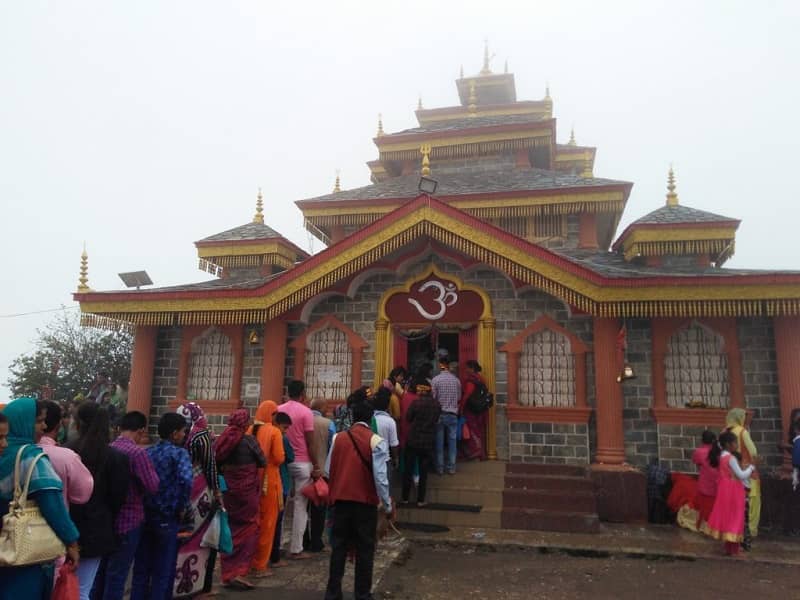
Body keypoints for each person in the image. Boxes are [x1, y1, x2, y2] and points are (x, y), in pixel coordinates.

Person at [0, 398, 80, 598]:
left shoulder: (4, 453)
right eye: (39, 421)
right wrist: (72, 542)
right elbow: (53, 506)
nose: (44, 427)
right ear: (25, 422)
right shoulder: (31, 458)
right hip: (24, 551)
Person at [324, 399, 394, 600]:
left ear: (353, 417)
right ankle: (362, 593)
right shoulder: (376, 441)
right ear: (371, 418)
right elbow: (381, 478)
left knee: (338, 548)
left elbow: (329, 469)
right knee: (365, 549)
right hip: (364, 503)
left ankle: (333, 592)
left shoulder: (338, 438)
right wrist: (387, 504)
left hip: (340, 501)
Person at [92, 410, 159, 600]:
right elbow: (152, 485)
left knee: (100, 572)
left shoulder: (107, 448)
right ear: (141, 430)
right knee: (117, 575)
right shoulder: (137, 453)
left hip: (106, 520)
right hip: (129, 520)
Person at [68, 402, 130, 600]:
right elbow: (118, 497)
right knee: (84, 588)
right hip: (97, 527)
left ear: (78, 424)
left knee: (64, 585)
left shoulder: (68, 451)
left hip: (65, 525)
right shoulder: (116, 457)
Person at [131, 413, 193, 600]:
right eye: (183, 432)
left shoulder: (147, 452)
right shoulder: (179, 454)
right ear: (174, 434)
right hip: (168, 516)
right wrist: (182, 505)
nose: (184, 435)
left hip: (146, 515)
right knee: (163, 569)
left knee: (141, 568)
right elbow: (186, 480)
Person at [215, 409, 266, 590]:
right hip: (246, 493)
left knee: (229, 529)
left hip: (228, 491)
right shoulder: (249, 441)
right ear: (245, 424)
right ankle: (240, 572)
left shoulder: (222, 440)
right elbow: (263, 461)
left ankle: (226, 574)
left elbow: (216, 462)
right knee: (250, 529)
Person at [175, 402, 221, 597]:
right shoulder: (201, 435)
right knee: (202, 536)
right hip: (200, 488)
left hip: (181, 488)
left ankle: (176, 584)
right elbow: (210, 465)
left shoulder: (176, 434)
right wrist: (217, 490)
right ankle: (199, 586)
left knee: (183, 536)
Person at [277, 380, 321, 560]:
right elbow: (310, 442)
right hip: (302, 462)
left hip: (283, 461)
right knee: (300, 506)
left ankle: (277, 545)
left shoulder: (278, 409)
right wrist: (316, 464)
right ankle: (296, 548)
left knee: (281, 505)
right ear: (303, 393)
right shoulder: (306, 412)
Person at [703, 431, 755, 556]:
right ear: (728, 444)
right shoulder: (731, 458)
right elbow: (741, 475)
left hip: (725, 489)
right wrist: (752, 467)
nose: (737, 445)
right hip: (734, 490)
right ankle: (734, 549)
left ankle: (730, 549)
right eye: (735, 442)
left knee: (730, 517)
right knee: (736, 518)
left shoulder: (721, 456)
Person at [38, 400, 94, 507]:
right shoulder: (68, 457)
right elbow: (82, 495)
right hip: (57, 521)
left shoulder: (17, 453)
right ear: (59, 424)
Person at [304, 398, 335, 554]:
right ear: (321, 408)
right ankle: (316, 542)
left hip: (303, 468)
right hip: (322, 470)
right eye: (326, 407)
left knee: (302, 507)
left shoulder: (302, 419)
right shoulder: (328, 424)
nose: (327, 410)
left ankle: (303, 540)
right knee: (319, 508)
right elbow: (332, 447)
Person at [401, 383, 441, 507]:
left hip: (414, 439)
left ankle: (405, 498)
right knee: (424, 472)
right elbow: (436, 419)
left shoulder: (416, 403)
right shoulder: (436, 405)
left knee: (409, 469)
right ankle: (420, 499)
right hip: (428, 440)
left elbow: (408, 417)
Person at [725, 408, 760, 548]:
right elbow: (754, 451)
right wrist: (753, 465)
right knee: (752, 504)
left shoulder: (724, 432)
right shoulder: (742, 431)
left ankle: (732, 534)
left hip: (728, 474)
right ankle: (750, 533)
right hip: (746, 472)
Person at [269, 412, 294, 568]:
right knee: (277, 521)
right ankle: (275, 556)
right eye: (284, 427)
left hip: (267, 483)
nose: (285, 431)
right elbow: (290, 457)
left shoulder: (260, 433)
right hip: (280, 483)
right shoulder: (281, 438)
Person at [431, 358, 461, 475]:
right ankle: (452, 468)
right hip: (452, 415)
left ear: (440, 366)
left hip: (440, 415)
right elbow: (458, 398)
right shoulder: (456, 381)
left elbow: (433, 398)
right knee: (452, 443)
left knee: (439, 442)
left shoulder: (435, 380)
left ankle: (440, 468)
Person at [459, 360, 488, 461]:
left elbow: (467, 395)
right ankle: (481, 453)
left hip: (471, 409)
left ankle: (475, 452)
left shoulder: (471, 380)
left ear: (472, 368)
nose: (466, 370)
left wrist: (461, 408)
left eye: (467, 367)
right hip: (481, 408)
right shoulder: (481, 378)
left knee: (472, 431)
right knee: (479, 430)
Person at [692, 431, 720, 528]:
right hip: (717, 484)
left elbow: (696, 463)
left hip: (704, 483)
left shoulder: (698, 452)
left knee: (703, 508)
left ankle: (702, 526)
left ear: (702, 440)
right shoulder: (719, 452)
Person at [372, 388, 399, 469]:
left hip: (370, 458)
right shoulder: (390, 421)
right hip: (384, 459)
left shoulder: (369, 418)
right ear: (387, 406)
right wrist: (396, 459)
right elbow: (393, 444)